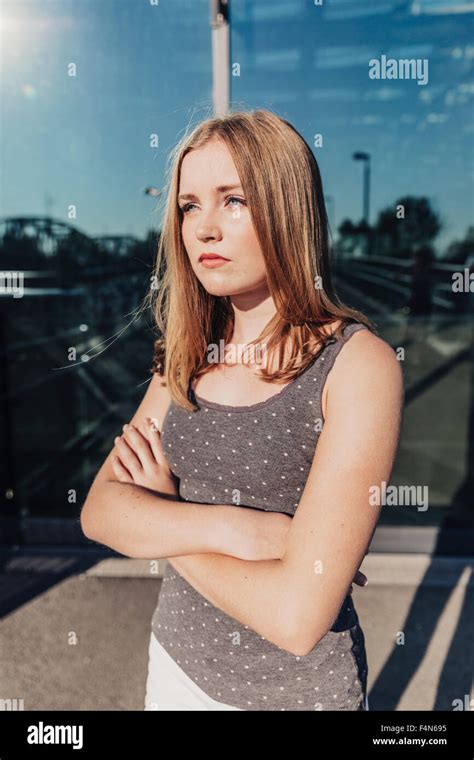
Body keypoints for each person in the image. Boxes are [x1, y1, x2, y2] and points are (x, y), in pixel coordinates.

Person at [80, 109, 404, 711]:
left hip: (299, 697)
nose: (203, 228)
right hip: (175, 669)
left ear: (287, 208)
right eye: (189, 206)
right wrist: (251, 531)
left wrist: (165, 519)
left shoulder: (358, 367)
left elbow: (296, 615)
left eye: (233, 200)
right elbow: (101, 511)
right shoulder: (185, 358)